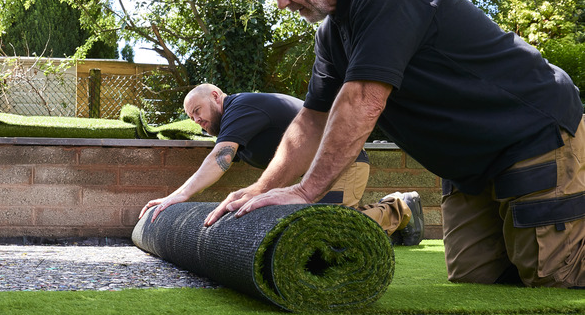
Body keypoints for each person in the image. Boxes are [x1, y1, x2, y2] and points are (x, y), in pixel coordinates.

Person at [204, 0, 585, 288]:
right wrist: (262, 189)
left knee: (552, 274)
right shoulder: (332, 34)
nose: (281, 3)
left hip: (532, 132)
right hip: (471, 167)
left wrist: (305, 192)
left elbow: (363, 101)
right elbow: (311, 121)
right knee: (476, 274)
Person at [139, 83, 424, 245]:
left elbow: (219, 160)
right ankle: (390, 224)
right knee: (312, 232)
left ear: (215, 96)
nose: (197, 120)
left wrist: (179, 195)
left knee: (330, 230)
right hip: (312, 178)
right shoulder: (237, 125)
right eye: (192, 117)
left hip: (342, 163)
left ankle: (399, 209)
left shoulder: (240, 107)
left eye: (197, 111)